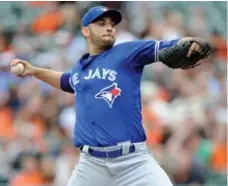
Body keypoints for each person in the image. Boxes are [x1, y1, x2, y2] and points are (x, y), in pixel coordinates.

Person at [10, 6, 211, 186]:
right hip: (91, 166)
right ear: (85, 31)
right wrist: (35, 71)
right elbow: (66, 81)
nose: (109, 27)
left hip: (133, 162)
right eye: (101, 23)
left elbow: (169, 46)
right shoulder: (81, 67)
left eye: (112, 24)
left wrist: (193, 42)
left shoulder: (127, 52)